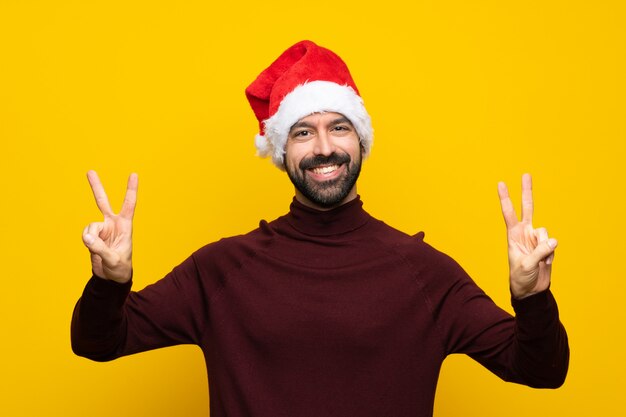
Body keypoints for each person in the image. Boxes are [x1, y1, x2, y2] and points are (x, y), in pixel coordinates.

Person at [72, 40, 569, 417]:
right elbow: (98, 343)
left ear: (361, 140)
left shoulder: (424, 274)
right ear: (282, 152)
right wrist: (109, 283)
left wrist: (532, 299)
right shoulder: (221, 269)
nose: (323, 147)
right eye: (303, 132)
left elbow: (541, 370)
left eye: (339, 127)